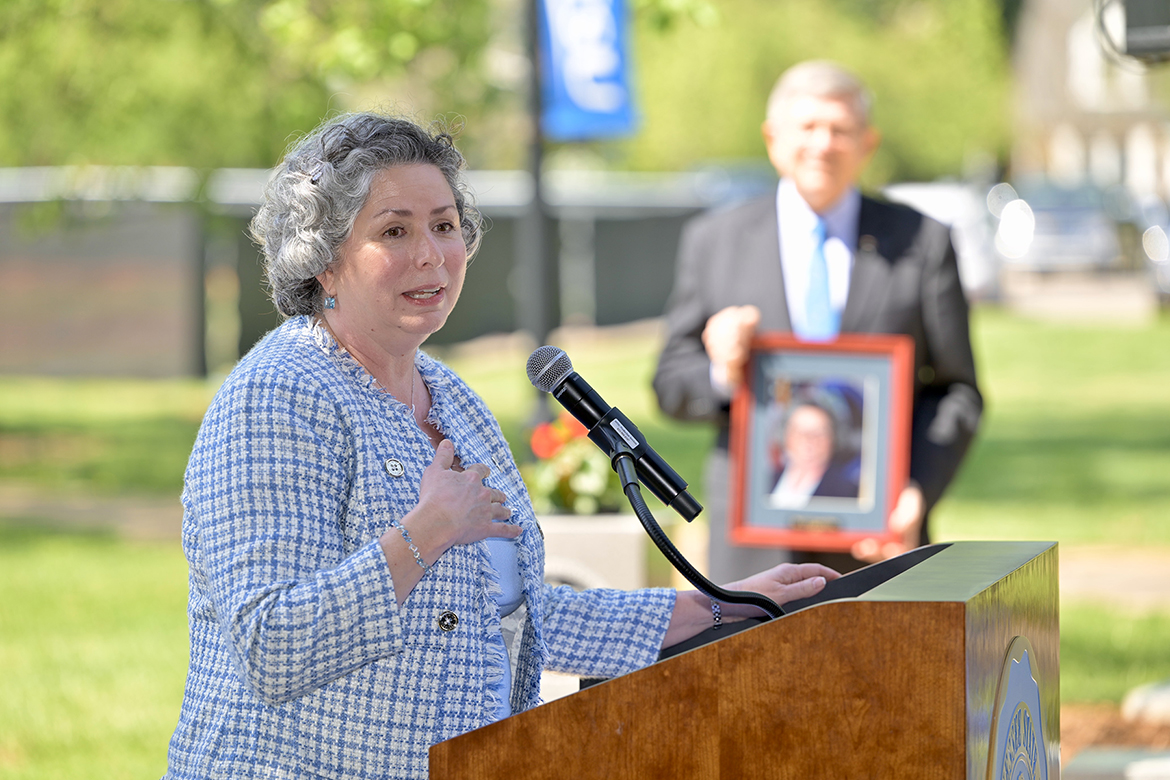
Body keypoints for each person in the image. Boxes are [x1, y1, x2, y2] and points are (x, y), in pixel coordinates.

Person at [163, 112, 837, 780]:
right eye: (395, 230)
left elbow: (510, 613)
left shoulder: (452, 400)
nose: (431, 254)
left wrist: (718, 606)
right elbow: (271, 644)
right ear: (324, 261)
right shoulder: (277, 398)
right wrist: (425, 533)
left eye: (444, 225)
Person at [653, 60, 982, 580]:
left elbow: (957, 391)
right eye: (807, 126)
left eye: (840, 129)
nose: (823, 144)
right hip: (752, 550)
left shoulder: (923, 242)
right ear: (772, 139)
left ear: (868, 143)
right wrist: (722, 371)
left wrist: (916, 490)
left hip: (877, 542)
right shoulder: (715, 241)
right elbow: (670, 383)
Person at [769, 401, 859, 507]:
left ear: (833, 439)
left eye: (819, 433)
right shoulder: (766, 481)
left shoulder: (845, 492)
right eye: (800, 432)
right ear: (785, 436)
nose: (809, 441)